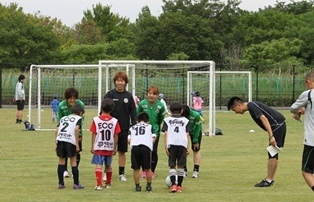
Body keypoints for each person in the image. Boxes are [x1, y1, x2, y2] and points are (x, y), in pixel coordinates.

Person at [227, 96, 286, 187]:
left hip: (277, 126)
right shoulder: (251, 106)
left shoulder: (251, 105)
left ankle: (269, 180)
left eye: (234, 110)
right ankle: (269, 179)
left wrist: (271, 136)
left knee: (273, 153)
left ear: (238, 105)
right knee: (273, 152)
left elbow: (264, 118)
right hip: (278, 125)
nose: (236, 113)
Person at [104, 71, 137, 181]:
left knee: (122, 151)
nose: (120, 83)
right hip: (110, 129)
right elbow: (103, 110)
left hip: (124, 128)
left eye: (122, 81)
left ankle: (121, 174)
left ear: (125, 82)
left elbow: (133, 112)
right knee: (108, 151)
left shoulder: (128, 96)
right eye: (118, 81)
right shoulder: (110, 94)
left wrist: (134, 125)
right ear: (114, 82)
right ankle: (106, 172)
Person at [290, 71, 314, 192]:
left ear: (308, 82)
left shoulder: (309, 94)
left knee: (307, 172)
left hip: (312, 141)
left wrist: (298, 111)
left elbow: (293, 108)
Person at [90, 98, 121, 190]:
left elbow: (94, 133)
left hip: (99, 146)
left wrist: (92, 146)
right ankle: (108, 184)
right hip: (109, 146)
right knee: (108, 166)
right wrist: (115, 147)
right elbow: (116, 135)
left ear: (101, 108)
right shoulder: (115, 121)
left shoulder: (96, 120)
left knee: (98, 165)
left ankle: (99, 185)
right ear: (112, 109)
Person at [162, 102, 191, 193]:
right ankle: (179, 186)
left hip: (172, 144)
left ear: (170, 111)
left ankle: (173, 185)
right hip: (182, 144)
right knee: (181, 165)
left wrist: (166, 147)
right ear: (181, 111)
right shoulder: (186, 121)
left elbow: (166, 134)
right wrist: (188, 147)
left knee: (172, 165)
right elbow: (187, 134)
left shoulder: (167, 120)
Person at [137, 86, 166, 178]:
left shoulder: (160, 105)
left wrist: (156, 127)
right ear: (147, 94)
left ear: (157, 95)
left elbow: (160, 119)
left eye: (154, 94)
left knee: (153, 151)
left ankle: (152, 170)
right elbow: (138, 116)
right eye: (150, 93)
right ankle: (144, 170)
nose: (151, 95)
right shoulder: (142, 103)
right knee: (143, 151)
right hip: (144, 131)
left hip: (155, 132)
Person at [55, 104, 85, 189]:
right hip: (70, 141)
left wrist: (56, 143)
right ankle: (76, 184)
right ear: (81, 113)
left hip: (60, 140)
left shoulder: (63, 118)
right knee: (73, 161)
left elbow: (56, 130)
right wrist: (76, 143)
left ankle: (61, 184)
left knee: (61, 161)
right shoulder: (78, 119)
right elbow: (76, 129)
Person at [58, 87, 85, 178]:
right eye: (70, 98)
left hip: (76, 133)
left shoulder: (80, 104)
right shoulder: (62, 105)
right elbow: (59, 121)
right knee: (64, 152)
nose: (72, 100)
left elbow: (81, 122)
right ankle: (65, 170)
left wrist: (80, 134)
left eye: (74, 98)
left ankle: (75, 169)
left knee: (76, 151)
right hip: (65, 134)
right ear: (66, 98)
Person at [128, 112, 156, 192]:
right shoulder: (150, 127)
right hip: (145, 147)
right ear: (148, 121)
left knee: (136, 168)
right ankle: (149, 186)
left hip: (135, 147)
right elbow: (154, 137)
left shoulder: (132, 127)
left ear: (137, 120)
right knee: (147, 168)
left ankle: (137, 187)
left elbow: (129, 140)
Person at [181, 104, 202, 178]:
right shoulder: (179, 115)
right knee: (184, 150)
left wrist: (195, 141)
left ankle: (196, 170)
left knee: (196, 149)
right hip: (184, 132)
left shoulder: (196, 115)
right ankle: (184, 169)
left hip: (195, 132)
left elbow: (197, 128)